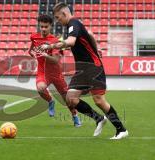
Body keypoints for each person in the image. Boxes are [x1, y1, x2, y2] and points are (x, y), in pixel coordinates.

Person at [39, 2, 128, 139]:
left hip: (93, 67)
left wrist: (49, 45)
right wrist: (95, 48)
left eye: (58, 17)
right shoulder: (72, 26)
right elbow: (90, 34)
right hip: (82, 69)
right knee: (71, 99)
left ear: (64, 14)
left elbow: (71, 42)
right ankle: (99, 118)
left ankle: (121, 130)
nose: (57, 21)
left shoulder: (73, 23)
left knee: (99, 100)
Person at [28, 14, 81, 127]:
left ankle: (75, 116)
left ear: (51, 26)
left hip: (56, 74)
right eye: (41, 26)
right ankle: (50, 101)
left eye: (46, 27)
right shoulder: (34, 37)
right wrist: (32, 53)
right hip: (43, 72)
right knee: (40, 88)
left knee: (67, 100)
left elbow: (56, 60)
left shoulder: (55, 41)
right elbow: (31, 49)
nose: (43, 29)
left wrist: (45, 55)